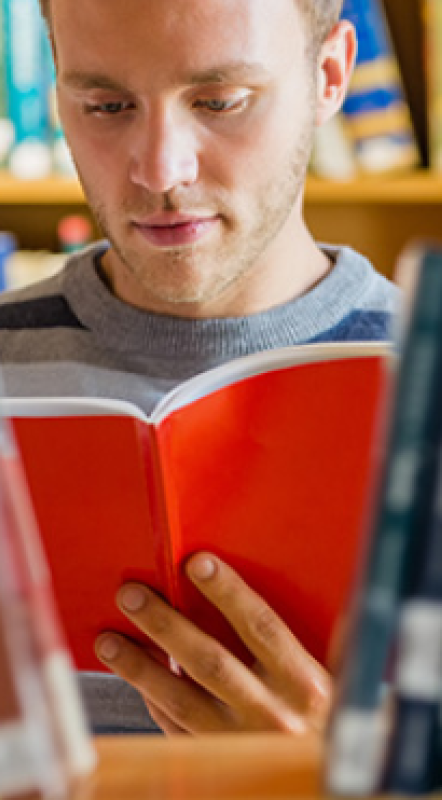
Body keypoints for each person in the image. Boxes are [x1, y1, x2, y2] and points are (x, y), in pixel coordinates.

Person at [0, 0, 399, 735]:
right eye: (106, 105)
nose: (161, 170)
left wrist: (340, 776)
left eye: (220, 101)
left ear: (330, 77)